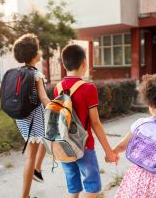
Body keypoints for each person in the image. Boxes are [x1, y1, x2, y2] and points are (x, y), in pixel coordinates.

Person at [0, 33, 49, 198]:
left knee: (45, 140)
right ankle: (26, 194)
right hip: (34, 119)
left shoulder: (13, 72)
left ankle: (37, 170)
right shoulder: (36, 74)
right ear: (36, 55)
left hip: (21, 118)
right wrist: (56, 107)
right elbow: (43, 97)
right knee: (31, 154)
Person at [53, 44, 119, 198]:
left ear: (64, 64)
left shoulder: (58, 87)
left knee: (73, 187)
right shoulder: (89, 88)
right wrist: (109, 152)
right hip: (84, 147)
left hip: (64, 145)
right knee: (91, 187)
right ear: (84, 64)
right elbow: (95, 123)